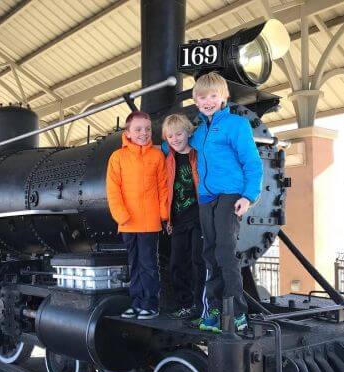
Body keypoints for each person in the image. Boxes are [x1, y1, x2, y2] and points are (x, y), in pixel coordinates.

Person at [162, 72, 263, 333]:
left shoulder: (235, 125)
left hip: (230, 195)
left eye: (213, 96)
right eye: (202, 96)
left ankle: (238, 311)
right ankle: (214, 310)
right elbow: (178, 144)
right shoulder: (199, 131)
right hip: (206, 198)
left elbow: (252, 162)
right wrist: (158, 148)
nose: (207, 101)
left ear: (223, 98)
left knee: (225, 252)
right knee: (209, 254)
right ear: (196, 100)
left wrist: (248, 196)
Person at [106, 111, 168, 320]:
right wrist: (121, 216)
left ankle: (150, 304)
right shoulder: (117, 157)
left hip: (150, 223)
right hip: (128, 223)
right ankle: (137, 302)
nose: (144, 133)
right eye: (138, 129)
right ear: (128, 133)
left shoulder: (157, 156)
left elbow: (163, 187)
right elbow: (113, 190)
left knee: (149, 265)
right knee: (134, 265)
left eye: (148, 129)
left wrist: (163, 214)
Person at [161, 114, 205, 320]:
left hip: (198, 217)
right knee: (178, 263)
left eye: (179, 133)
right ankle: (184, 304)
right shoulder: (168, 156)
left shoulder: (198, 153)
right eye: (170, 136)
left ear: (189, 133)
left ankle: (200, 305)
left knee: (198, 260)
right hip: (177, 219)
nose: (175, 139)